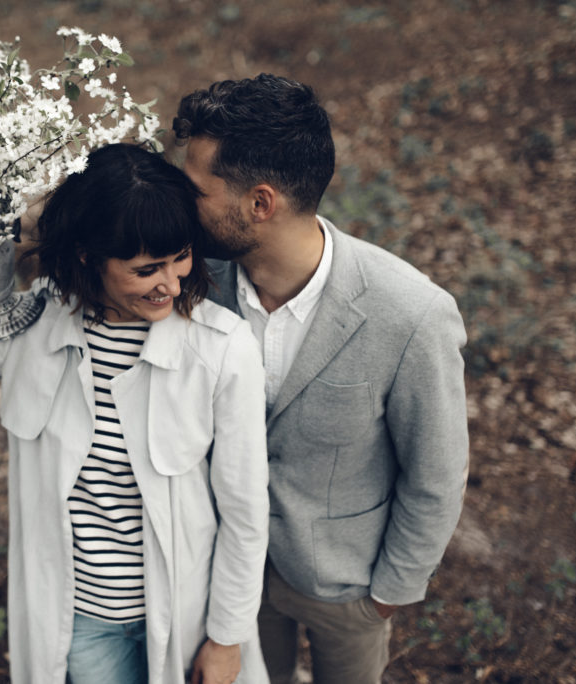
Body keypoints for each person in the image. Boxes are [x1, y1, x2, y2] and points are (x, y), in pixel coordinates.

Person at [0, 143, 271, 684]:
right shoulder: (34, 319)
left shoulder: (224, 350)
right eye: (145, 269)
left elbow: (245, 516)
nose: (172, 284)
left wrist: (226, 640)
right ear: (88, 256)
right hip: (80, 621)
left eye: (180, 258)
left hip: (185, 616)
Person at [172, 75, 469, 684]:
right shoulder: (187, 283)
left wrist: (389, 591)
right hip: (231, 577)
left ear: (260, 203)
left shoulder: (412, 314)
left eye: (195, 191)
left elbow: (436, 472)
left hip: (349, 588)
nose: (180, 206)